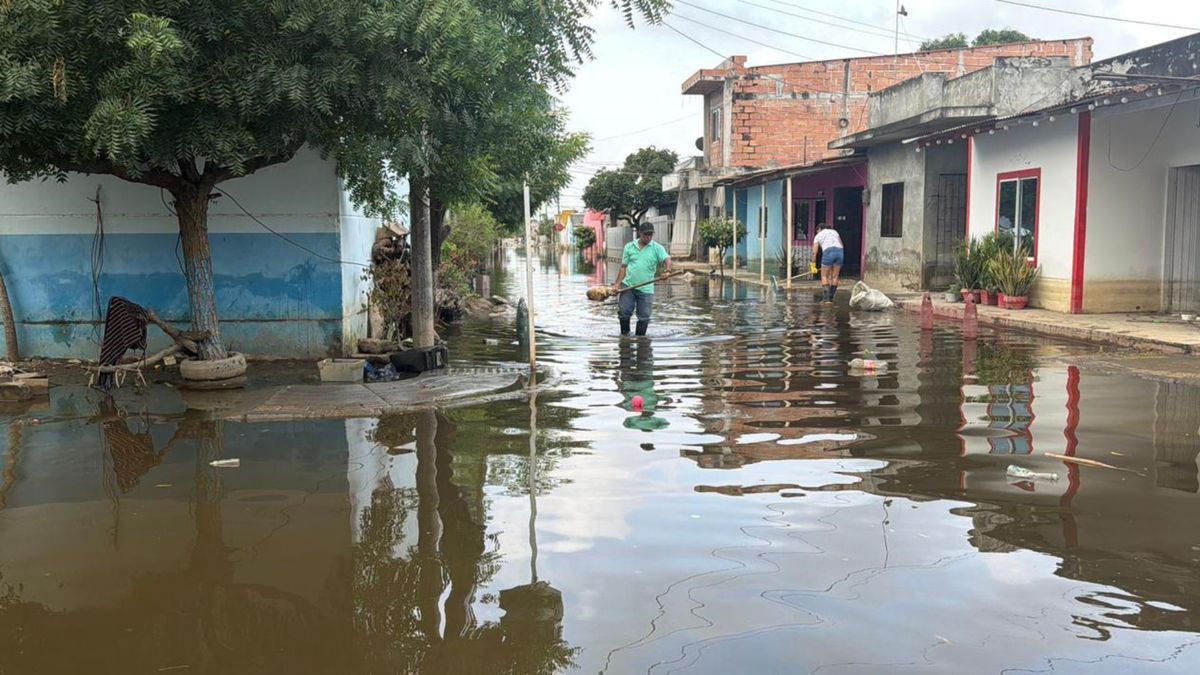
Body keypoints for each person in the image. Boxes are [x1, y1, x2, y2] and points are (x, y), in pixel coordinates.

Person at [611, 223, 671, 336]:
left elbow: (667, 258)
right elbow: (623, 267)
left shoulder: (657, 248)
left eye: (650, 235)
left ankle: (640, 340)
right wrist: (617, 285)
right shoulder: (629, 247)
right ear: (640, 233)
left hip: (646, 289)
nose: (648, 237)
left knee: (644, 317)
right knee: (624, 313)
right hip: (628, 286)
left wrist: (667, 271)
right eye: (645, 235)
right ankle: (625, 338)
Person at [812, 222, 844, 303]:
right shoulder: (834, 232)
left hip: (828, 252)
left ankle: (826, 300)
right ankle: (831, 298)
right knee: (835, 276)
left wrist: (813, 266)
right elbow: (841, 244)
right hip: (840, 252)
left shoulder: (818, 236)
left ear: (819, 229)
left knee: (824, 276)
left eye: (817, 230)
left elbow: (814, 253)